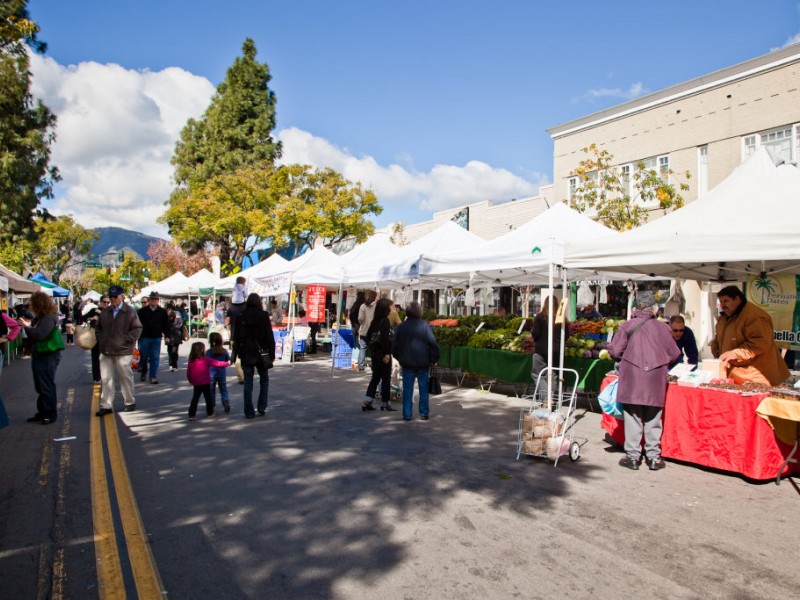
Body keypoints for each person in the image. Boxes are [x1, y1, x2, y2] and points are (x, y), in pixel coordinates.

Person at [608, 291, 681, 471]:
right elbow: (674, 354)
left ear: (635, 308)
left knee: (633, 417)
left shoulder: (627, 326)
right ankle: (653, 457)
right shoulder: (663, 328)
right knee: (653, 418)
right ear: (654, 308)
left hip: (632, 378)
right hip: (655, 379)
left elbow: (615, 352)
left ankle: (633, 457)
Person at [710, 285, 789, 386]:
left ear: (737, 299)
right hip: (735, 377)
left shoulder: (755, 316)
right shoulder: (724, 317)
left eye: (726, 301)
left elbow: (760, 343)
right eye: (721, 302)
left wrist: (735, 354)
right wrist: (715, 346)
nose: (722, 305)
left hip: (757, 377)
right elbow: (720, 337)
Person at [95, 285, 143, 416]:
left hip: (123, 351)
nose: (112, 300)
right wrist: (102, 338)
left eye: (115, 297)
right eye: (111, 297)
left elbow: (137, 328)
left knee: (125, 377)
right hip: (106, 350)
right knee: (106, 378)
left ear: (122, 297)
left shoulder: (130, 311)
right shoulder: (105, 312)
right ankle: (106, 405)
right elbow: (98, 328)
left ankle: (129, 401)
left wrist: (127, 339)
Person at [18, 291, 64, 425]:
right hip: (41, 354)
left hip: (47, 355)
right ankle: (43, 411)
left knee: (46, 384)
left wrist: (27, 328)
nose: (30, 306)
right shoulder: (42, 318)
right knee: (41, 385)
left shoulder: (48, 318)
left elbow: (39, 335)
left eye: (32, 303)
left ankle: (49, 413)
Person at [392, 301, 440, 421]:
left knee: (407, 391)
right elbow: (433, 344)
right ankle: (424, 413)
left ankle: (407, 414)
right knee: (424, 390)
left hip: (407, 364)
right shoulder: (424, 325)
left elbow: (394, 347)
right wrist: (433, 359)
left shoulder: (401, 327)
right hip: (423, 363)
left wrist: (401, 358)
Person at [232, 293, 276, 419]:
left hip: (247, 353)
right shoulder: (263, 316)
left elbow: (237, 337)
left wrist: (235, 354)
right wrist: (272, 354)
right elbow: (269, 336)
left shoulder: (242, 316)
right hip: (262, 353)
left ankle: (249, 411)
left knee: (248, 382)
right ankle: (261, 407)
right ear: (259, 302)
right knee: (264, 380)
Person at [362, 297, 394, 412]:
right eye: (391, 306)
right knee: (386, 377)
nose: (392, 308)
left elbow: (368, 336)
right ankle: (385, 402)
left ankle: (368, 400)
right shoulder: (385, 320)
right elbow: (385, 339)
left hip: (375, 352)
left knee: (375, 377)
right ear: (386, 308)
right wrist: (387, 354)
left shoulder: (374, 321)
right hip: (383, 353)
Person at [185, 341, 229, 420]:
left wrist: (190, 380)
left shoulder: (191, 361)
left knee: (195, 398)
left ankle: (191, 414)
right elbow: (217, 363)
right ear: (202, 350)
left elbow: (188, 372)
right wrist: (227, 363)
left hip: (197, 383)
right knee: (208, 398)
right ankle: (210, 412)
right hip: (205, 382)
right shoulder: (206, 360)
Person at [137, 291, 170, 384]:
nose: (154, 301)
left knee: (155, 357)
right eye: (152, 299)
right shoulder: (142, 311)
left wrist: (167, 336)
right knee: (144, 357)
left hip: (156, 337)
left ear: (158, 300)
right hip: (144, 337)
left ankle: (153, 376)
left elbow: (166, 325)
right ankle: (143, 372)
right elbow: (138, 324)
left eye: (156, 299)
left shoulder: (162, 311)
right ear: (149, 300)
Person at [531, 296, 563, 380]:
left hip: (541, 351)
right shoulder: (561, 318)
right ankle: (550, 393)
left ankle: (545, 393)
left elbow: (535, 334)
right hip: (557, 351)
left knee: (537, 375)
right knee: (554, 375)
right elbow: (566, 335)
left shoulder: (539, 317)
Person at [82, 296, 109, 383]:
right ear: (100, 302)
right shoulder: (94, 310)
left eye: (108, 302)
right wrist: (91, 318)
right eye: (104, 302)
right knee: (95, 357)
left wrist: (100, 314)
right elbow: (82, 317)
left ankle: (105, 376)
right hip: (95, 336)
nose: (106, 304)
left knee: (106, 358)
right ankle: (96, 377)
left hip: (106, 337)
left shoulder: (110, 311)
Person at [207, 331, 231, 413]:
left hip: (211, 374)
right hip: (221, 373)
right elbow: (228, 359)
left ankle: (212, 405)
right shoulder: (224, 351)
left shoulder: (208, 352)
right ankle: (225, 402)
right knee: (223, 390)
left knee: (211, 391)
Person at [357, 290, 378, 372]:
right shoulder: (377, 306)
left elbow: (360, 319)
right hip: (374, 331)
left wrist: (363, 323)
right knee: (373, 349)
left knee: (363, 348)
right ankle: (374, 366)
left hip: (364, 330)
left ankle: (361, 366)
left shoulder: (363, 306)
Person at [348, 291, 366, 368]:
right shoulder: (362, 306)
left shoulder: (354, 306)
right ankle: (356, 362)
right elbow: (361, 318)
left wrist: (353, 323)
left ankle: (354, 361)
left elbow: (351, 316)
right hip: (359, 327)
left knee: (356, 344)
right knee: (359, 345)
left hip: (353, 326)